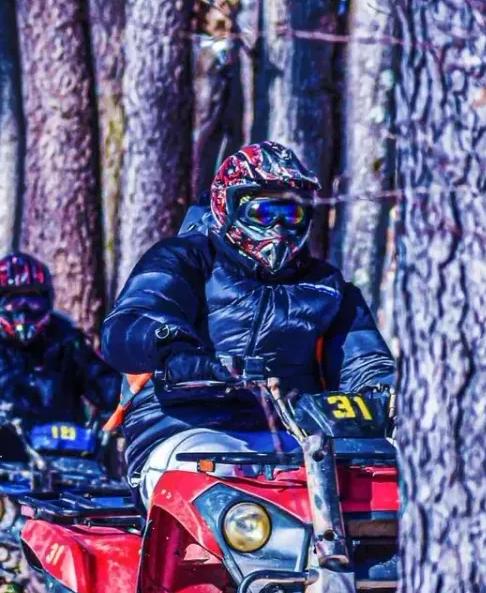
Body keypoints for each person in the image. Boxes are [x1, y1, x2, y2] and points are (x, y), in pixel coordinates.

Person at [103, 142, 397, 501]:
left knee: (383, 481)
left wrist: (388, 394)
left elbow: (366, 362)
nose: (278, 227)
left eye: (292, 215)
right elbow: (131, 321)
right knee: (226, 496)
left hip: (301, 440)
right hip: (186, 431)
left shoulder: (327, 286)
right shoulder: (186, 257)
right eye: (263, 213)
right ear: (227, 206)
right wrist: (175, 351)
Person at [0, 252, 124, 454]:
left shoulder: (66, 340)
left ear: (47, 301)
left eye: (33, 301)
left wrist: (134, 396)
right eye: (13, 302)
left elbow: (103, 382)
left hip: (62, 459)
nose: (23, 311)